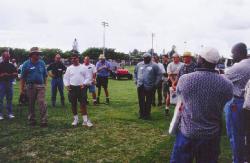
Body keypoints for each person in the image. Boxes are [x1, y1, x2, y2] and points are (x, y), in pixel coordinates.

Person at [170, 47, 233, 163]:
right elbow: (226, 99)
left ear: (202, 61)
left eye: (199, 57)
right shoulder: (227, 84)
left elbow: (180, 95)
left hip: (188, 132)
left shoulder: (185, 79)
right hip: (211, 134)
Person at [224, 42, 250, 163]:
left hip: (237, 102)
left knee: (236, 135)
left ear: (239, 53)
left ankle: (238, 160)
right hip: (247, 102)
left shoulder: (238, 67)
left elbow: (223, 80)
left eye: (233, 53)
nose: (232, 56)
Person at [63, 51, 93, 127]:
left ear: (78, 59)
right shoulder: (69, 68)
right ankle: (75, 119)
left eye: (75, 58)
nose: (73, 60)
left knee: (83, 104)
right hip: (72, 88)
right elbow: (66, 78)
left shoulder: (83, 67)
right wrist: (67, 85)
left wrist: (84, 84)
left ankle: (85, 120)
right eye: (72, 59)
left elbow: (88, 77)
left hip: (81, 88)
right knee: (73, 104)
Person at [20, 47, 48, 127]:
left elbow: (45, 75)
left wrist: (45, 85)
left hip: (41, 86)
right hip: (30, 86)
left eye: (39, 54)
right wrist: (22, 89)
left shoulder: (42, 63)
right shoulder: (26, 64)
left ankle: (44, 120)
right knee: (31, 104)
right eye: (37, 54)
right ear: (31, 55)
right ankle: (32, 120)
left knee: (42, 102)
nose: (38, 55)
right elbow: (22, 78)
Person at [134, 53, 162, 120]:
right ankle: (141, 114)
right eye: (144, 58)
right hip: (140, 85)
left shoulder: (154, 65)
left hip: (150, 86)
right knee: (141, 101)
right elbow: (135, 73)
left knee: (149, 101)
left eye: (147, 58)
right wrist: (135, 80)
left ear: (150, 58)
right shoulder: (139, 64)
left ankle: (147, 114)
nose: (145, 59)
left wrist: (156, 84)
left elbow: (159, 75)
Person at [0, 49, 17, 120]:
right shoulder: (0, 65)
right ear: (3, 57)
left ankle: (10, 113)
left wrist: (11, 74)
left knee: (9, 99)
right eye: (6, 56)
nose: (8, 57)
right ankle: (0, 114)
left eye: (9, 56)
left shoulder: (11, 65)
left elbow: (16, 74)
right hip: (1, 83)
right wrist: (2, 74)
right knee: (0, 99)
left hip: (9, 83)